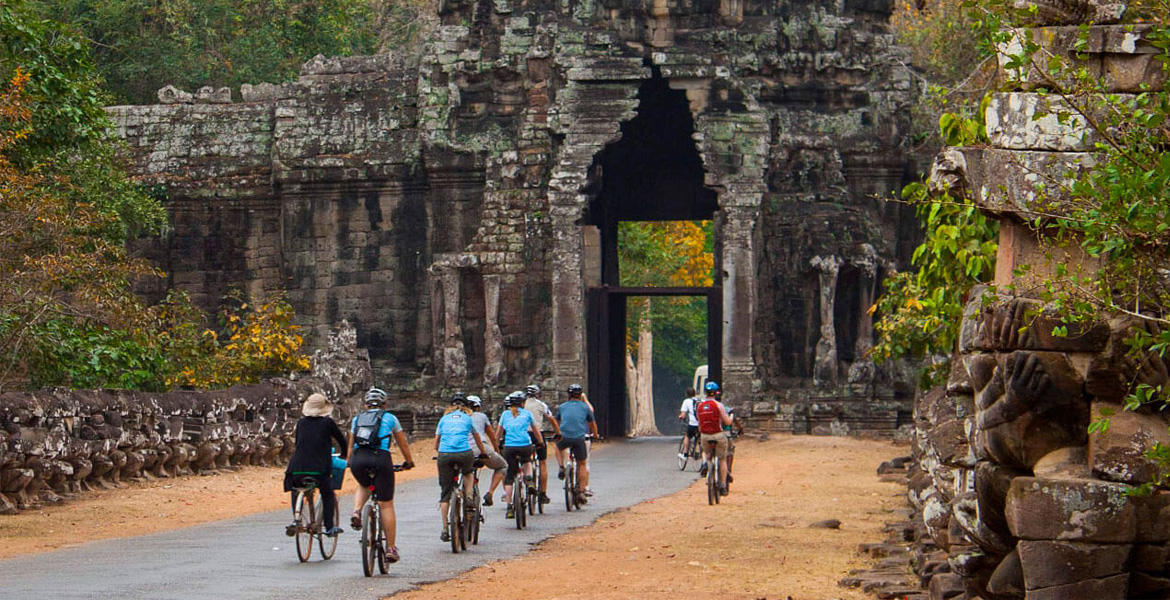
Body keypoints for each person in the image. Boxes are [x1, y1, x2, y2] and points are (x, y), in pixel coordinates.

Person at [348, 387, 415, 563]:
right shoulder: (390, 418)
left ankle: (356, 511)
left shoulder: (357, 419)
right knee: (386, 505)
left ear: (366, 404)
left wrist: (351, 462)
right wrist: (409, 462)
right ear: (385, 404)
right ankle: (391, 548)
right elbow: (403, 444)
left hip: (358, 459)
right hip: (380, 458)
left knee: (364, 484)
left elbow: (350, 446)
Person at [284, 393, 348, 537]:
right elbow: (341, 441)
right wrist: (344, 454)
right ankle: (330, 527)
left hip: (297, 468)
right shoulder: (328, 423)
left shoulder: (300, 423)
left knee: (296, 488)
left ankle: (296, 518)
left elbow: (299, 443)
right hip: (319, 469)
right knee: (327, 494)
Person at [434, 393, 487, 542]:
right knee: (468, 473)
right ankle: (469, 497)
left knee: (445, 494)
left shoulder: (443, 419)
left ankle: (445, 529)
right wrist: (483, 453)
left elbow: (436, 442)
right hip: (464, 453)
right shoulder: (468, 419)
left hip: (444, 455)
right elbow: (477, 440)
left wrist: (440, 451)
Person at [497, 390, 543, 519]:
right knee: (527, 461)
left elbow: (499, 433)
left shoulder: (505, 414)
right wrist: (540, 442)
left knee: (509, 478)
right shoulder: (527, 414)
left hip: (509, 447)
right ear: (523, 403)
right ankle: (529, 480)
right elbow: (536, 431)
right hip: (524, 445)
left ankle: (509, 507)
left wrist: (497, 445)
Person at [554, 384, 598, 503]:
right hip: (579, 438)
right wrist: (596, 435)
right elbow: (592, 424)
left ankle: (561, 466)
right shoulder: (585, 407)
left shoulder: (562, 407)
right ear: (580, 395)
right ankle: (581, 491)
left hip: (564, 437)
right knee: (582, 464)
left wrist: (558, 432)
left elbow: (556, 420)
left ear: (568, 395)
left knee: (557, 447)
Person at [523, 384, 562, 505]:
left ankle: (524, 481)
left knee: (525, 460)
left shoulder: (521, 405)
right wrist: (558, 433)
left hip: (523, 435)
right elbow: (552, 419)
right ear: (537, 394)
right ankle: (543, 493)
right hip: (537, 435)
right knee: (542, 462)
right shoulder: (541, 405)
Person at [468, 395, 508, 506]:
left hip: (462, 449)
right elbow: (493, 436)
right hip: (481, 448)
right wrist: (497, 451)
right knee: (502, 466)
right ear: (478, 407)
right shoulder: (482, 416)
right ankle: (490, 493)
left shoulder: (461, 417)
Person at [696, 381, 734, 496]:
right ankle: (722, 484)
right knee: (722, 459)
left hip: (705, 435)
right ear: (716, 393)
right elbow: (727, 421)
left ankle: (705, 463)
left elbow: (699, 426)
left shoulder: (700, 406)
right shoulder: (719, 405)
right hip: (718, 434)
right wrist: (731, 415)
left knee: (705, 451)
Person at [677, 387, 701, 459]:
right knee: (700, 437)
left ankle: (684, 454)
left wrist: (680, 417)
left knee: (687, 436)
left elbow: (683, 415)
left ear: (686, 394)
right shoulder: (700, 400)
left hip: (693, 423)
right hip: (701, 424)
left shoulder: (686, 401)